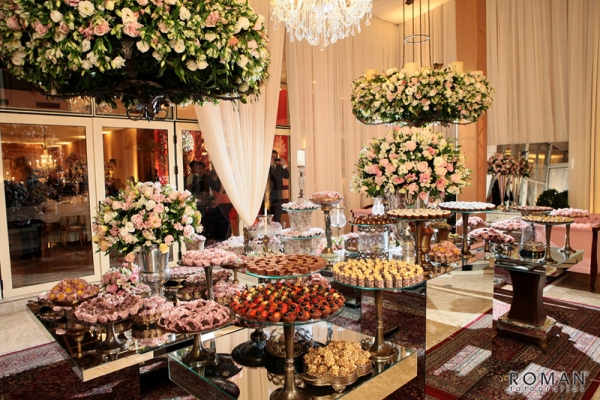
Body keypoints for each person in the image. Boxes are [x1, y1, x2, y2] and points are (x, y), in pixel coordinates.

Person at [267, 150, 289, 223]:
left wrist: (284, 165)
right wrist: (270, 166)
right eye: (272, 157)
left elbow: (286, 176)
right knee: (268, 220)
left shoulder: (280, 167)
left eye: (276, 157)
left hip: (278, 197)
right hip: (268, 197)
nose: (274, 159)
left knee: (277, 219)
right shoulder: (266, 168)